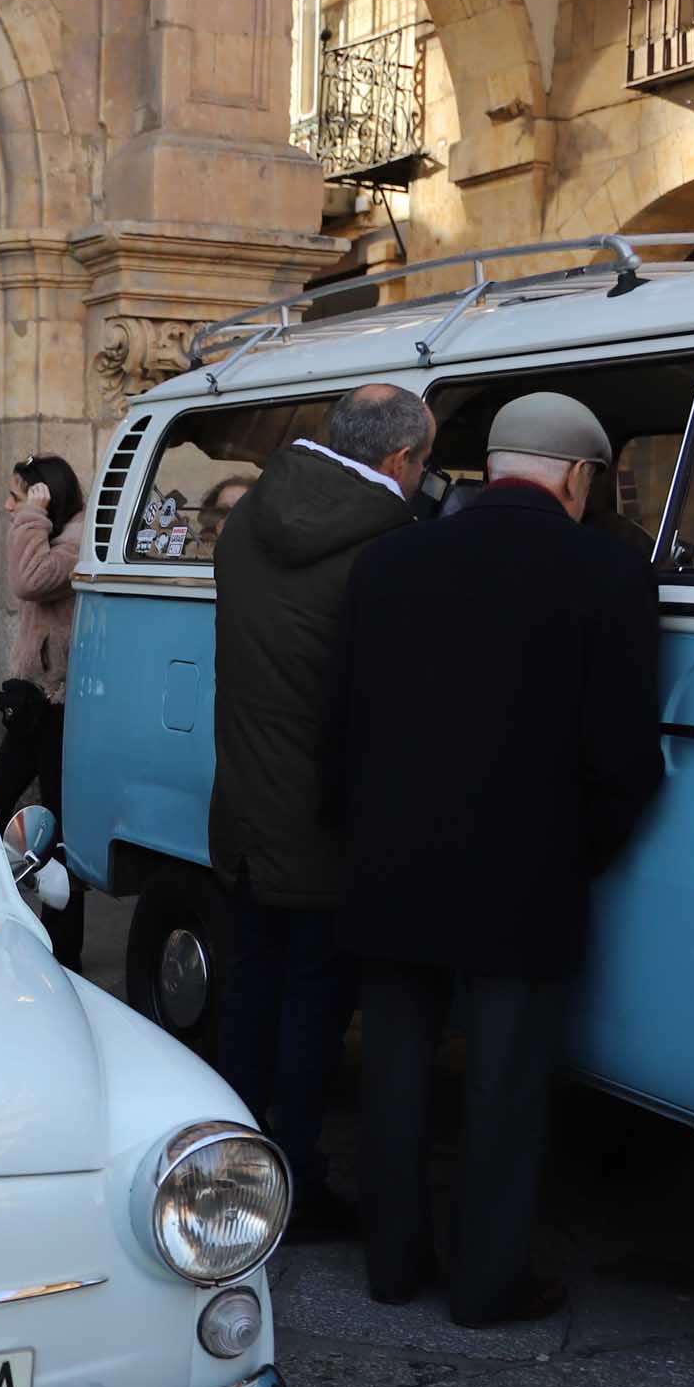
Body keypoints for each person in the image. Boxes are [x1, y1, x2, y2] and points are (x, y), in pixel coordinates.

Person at [332, 390, 662, 1327]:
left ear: (494, 467)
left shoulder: (388, 561)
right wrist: (577, 849)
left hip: (392, 871)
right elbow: (626, 757)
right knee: (505, 1093)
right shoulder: (608, 570)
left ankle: (392, 1268)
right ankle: (488, 1285)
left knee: (394, 1082)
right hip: (526, 878)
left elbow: (340, 728)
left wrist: (359, 833)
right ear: (577, 477)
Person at [204, 385, 432, 1240]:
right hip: (325, 821)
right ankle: (292, 1179)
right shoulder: (392, 545)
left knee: (247, 997)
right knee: (312, 1013)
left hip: (245, 810)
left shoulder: (253, 513)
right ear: (402, 461)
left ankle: (228, 1166)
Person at [0, 454, 86, 971]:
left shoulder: (75, 540)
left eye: (18, 495)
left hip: (62, 706)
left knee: (59, 827)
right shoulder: (52, 535)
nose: (10, 506)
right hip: (36, 700)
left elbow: (29, 580)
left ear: (45, 494)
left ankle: (63, 946)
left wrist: (32, 516)